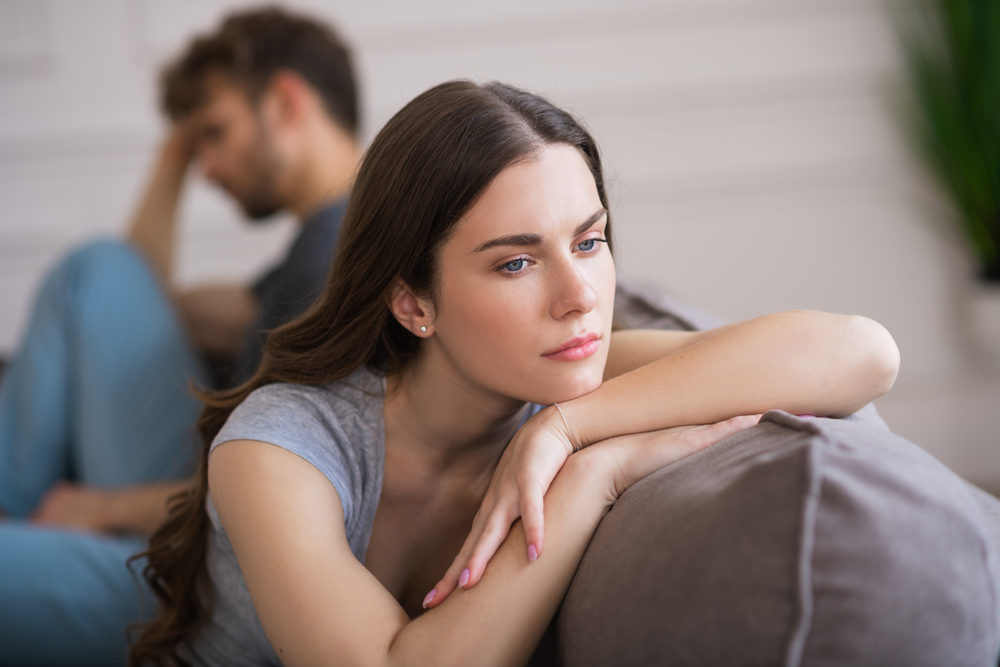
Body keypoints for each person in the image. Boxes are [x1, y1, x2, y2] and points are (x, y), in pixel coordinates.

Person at [131, 80, 900, 667]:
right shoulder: (276, 450)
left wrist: (571, 429)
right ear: (412, 300)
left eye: (591, 241)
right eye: (518, 261)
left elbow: (864, 353)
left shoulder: (571, 386)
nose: (580, 298)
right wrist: (593, 477)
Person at [0, 7, 361, 664]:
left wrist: (98, 506)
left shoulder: (339, 258)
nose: (209, 169)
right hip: (197, 517)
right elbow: (135, 293)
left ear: (285, 102)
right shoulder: (315, 250)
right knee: (97, 268)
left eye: (215, 134)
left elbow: (290, 490)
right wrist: (172, 156)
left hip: (213, 568)